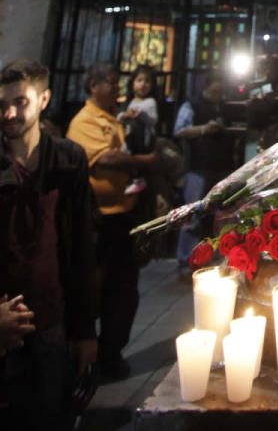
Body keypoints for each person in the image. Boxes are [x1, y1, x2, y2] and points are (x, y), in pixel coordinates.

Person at [1, 59, 98, 428]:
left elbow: (79, 248)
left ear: (43, 100)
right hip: (4, 318)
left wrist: (85, 328)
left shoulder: (68, 159)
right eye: (1, 104)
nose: (9, 113)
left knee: (50, 416)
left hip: (51, 316)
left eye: (20, 102)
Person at [67, 61, 156, 380]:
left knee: (123, 288)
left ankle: (111, 351)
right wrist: (141, 161)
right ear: (93, 86)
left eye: (118, 82)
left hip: (122, 215)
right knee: (99, 286)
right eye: (110, 82)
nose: (117, 87)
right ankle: (91, 355)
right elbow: (104, 157)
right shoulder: (86, 120)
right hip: (99, 221)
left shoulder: (111, 118)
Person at [174, 75, 236, 267]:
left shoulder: (225, 106)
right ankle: (186, 260)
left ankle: (217, 258)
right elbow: (180, 130)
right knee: (191, 216)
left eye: (220, 92)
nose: (218, 96)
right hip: (198, 168)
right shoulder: (192, 105)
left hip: (221, 168)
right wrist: (204, 129)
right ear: (206, 87)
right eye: (214, 92)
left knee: (219, 216)